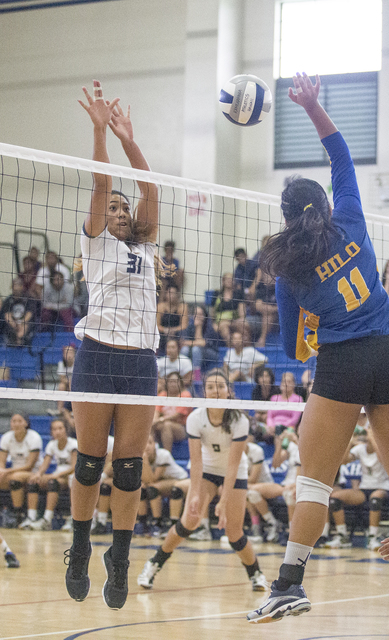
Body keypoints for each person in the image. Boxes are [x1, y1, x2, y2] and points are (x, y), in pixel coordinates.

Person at [247, 72, 389, 624]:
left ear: (286, 220)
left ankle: (289, 584)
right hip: (387, 346)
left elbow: (291, 346)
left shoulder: (291, 270)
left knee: (313, 481)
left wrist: (315, 328)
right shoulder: (352, 216)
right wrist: (311, 105)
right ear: (325, 204)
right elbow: (341, 154)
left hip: (343, 361)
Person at [64, 80, 159, 611]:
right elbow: (103, 185)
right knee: (88, 463)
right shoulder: (96, 240)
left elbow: (150, 190)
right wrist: (99, 132)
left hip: (141, 359)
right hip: (99, 352)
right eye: (115, 208)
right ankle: (79, 546)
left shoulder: (145, 246)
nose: (121, 212)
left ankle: (117, 558)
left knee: (128, 470)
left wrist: (129, 138)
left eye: (126, 210)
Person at [137, 369, 267, 592]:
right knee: (190, 521)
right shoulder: (196, 418)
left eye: (220, 386)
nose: (215, 391)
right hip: (206, 470)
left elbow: (234, 464)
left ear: (228, 391)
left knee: (234, 532)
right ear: (204, 392)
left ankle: (256, 574)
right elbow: (196, 462)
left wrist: (224, 500)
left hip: (234, 472)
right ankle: (153, 564)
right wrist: (196, 493)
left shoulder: (239, 419)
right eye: (210, 387)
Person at [325, 424, 389, 551]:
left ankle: (372, 537)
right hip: (364, 487)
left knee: (375, 499)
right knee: (334, 498)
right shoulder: (360, 449)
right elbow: (343, 461)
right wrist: (350, 442)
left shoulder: (384, 445)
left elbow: (383, 460)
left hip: (382, 488)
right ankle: (342, 536)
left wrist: (373, 438)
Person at [20, 418, 77, 531]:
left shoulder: (73, 444)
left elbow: (74, 467)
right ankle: (31, 517)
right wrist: (38, 474)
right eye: (54, 429)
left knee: (53, 482)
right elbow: (45, 463)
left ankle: (47, 519)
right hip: (58, 475)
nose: (57, 431)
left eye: (60, 428)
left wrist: (57, 475)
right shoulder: (52, 444)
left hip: (71, 476)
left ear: (66, 430)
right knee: (33, 481)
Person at [138, 433, 188, 537]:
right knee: (141, 489)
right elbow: (144, 480)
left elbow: (152, 480)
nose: (147, 446)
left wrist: (145, 461)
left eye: (150, 443)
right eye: (143, 443)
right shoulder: (138, 456)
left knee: (152, 488)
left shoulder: (163, 454)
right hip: (161, 481)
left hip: (179, 479)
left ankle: (159, 525)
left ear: (155, 445)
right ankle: (143, 525)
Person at [0, 413, 42, 528]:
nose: (16, 424)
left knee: (15, 478)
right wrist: (1, 469)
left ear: (26, 423)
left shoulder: (34, 437)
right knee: (13, 478)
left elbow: (29, 465)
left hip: (33, 473)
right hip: (14, 473)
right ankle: (9, 513)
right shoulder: (7, 437)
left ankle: (17, 515)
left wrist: (7, 471)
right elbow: (1, 461)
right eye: (14, 421)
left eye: (20, 421)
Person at [152, 371, 192, 452]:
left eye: (175, 381)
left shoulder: (185, 395)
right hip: (162, 424)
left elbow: (178, 415)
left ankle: (167, 456)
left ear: (180, 383)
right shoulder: (162, 395)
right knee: (150, 425)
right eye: (170, 381)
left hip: (181, 427)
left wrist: (160, 420)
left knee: (167, 425)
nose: (173, 384)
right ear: (167, 383)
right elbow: (156, 411)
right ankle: (151, 455)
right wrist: (155, 421)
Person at [1, 278, 37, 346]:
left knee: (26, 327)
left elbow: (29, 314)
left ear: (22, 287)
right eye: (15, 286)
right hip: (13, 325)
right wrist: (14, 324)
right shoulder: (8, 300)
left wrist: (21, 322)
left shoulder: (28, 299)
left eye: (18, 285)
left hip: (24, 323)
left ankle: (21, 340)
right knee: (8, 327)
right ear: (11, 287)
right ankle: (14, 342)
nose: (16, 288)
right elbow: (7, 316)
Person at [156, 283, 188, 355]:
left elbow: (184, 325)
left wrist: (173, 330)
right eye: (170, 293)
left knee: (183, 334)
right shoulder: (160, 307)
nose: (172, 296)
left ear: (177, 294)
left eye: (174, 293)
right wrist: (165, 330)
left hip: (177, 334)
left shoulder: (182, 307)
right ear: (166, 294)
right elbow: (157, 325)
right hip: (163, 335)